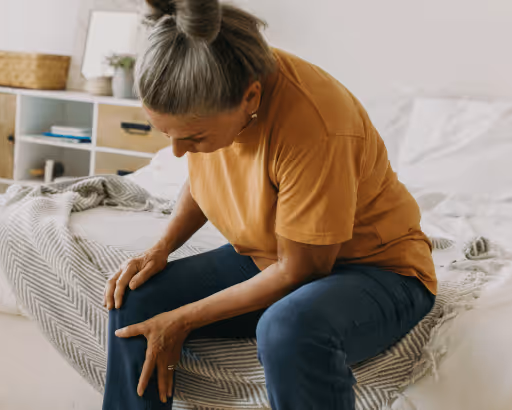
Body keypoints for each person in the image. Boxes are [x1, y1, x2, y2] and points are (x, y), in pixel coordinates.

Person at [101, 1, 437, 409]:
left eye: (193, 137)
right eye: (167, 133)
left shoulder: (317, 126)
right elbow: (206, 173)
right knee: (136, 298)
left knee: (288, 327)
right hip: (272, 254)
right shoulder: (210, 79)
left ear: (251, 97)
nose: (177, 152)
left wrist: (184, 319)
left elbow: (302, 269)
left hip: (376, 271)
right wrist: (160, 249)